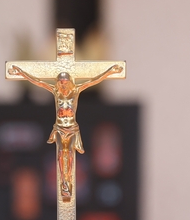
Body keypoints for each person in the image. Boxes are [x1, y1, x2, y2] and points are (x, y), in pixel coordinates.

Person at [8, 64, 122, 201]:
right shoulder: (56, 93)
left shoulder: (76, 91)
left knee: (73, 158)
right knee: (61, 157)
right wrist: (21, 72)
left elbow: (93, 81)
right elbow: (37, 82)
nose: (63, 85)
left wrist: (109, 71)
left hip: (72, 130)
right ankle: (64, 185)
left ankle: (69, 184)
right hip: (60, 131)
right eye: (61, 82)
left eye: (66, 82)